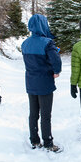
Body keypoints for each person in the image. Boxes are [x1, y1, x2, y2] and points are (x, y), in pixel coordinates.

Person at [21, 14, 62, 152]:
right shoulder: (47, 42)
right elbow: (56, 61)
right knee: (45, 115)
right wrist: (56, 71)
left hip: (31, 82)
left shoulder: (25, 43)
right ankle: (48, 142)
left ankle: (34, 140)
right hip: (44, 82)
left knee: (33, 113)